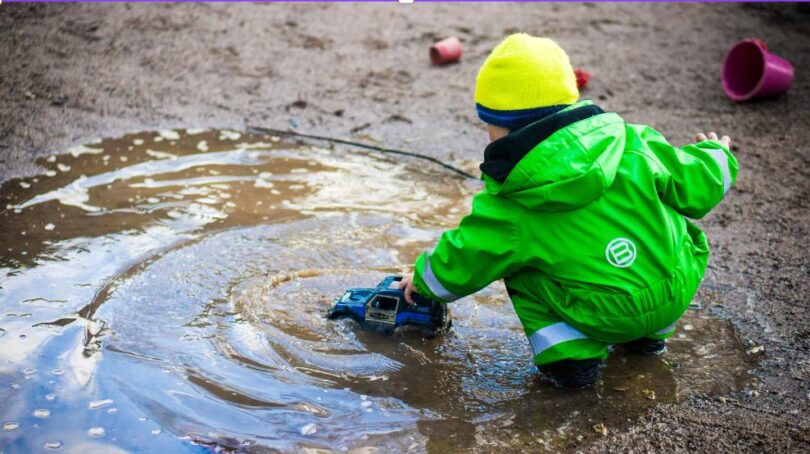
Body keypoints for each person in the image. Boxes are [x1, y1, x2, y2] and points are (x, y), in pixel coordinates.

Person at [399, 33, 738, 389]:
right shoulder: (633, 141)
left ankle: (571, 361)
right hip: (674, 289)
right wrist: (717, 154)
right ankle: (647, 340)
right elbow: (696, 183)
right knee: (663, 225)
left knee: (516, 264)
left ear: (498, 126)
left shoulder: (511, 200)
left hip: (602, 314)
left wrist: (422, 282)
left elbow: (467, 255)